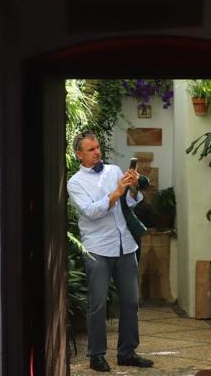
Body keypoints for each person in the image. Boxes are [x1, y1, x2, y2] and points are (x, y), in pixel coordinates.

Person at [67, 132, 154, 372]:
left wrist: (133, 188)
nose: (97, 152)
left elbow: (131, 202)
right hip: (97, 248)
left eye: (97, 147)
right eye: (91, 149)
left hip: (125, 245)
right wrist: (116, 193)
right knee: (97, 304)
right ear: (79, 154)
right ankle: (96, 355)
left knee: (130, 302)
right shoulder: (75, 182)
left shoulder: (115, 171)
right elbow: (91, 212)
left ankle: (127, 352)